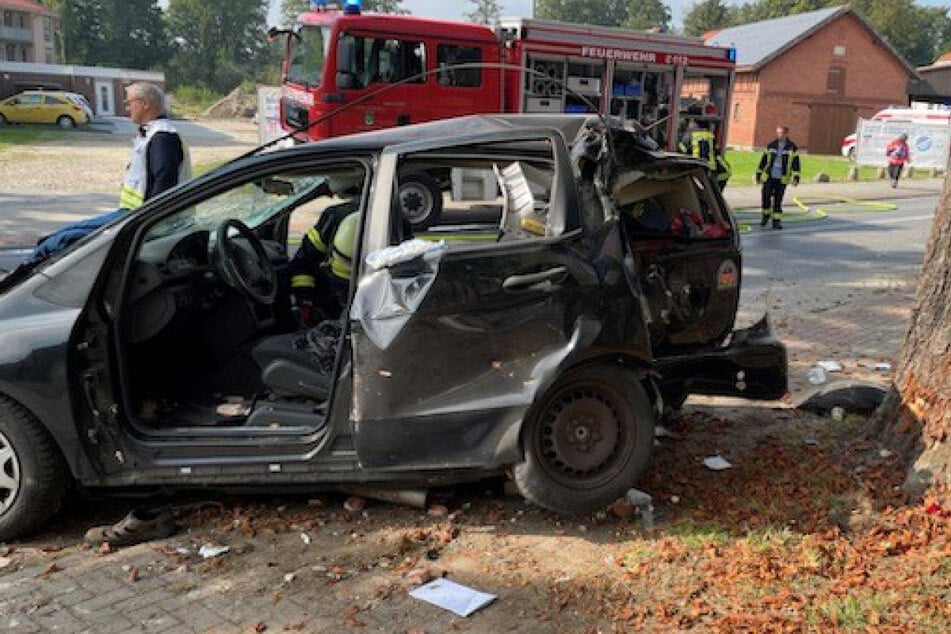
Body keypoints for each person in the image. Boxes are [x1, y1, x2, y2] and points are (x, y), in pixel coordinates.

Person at [29, 82, 191, 261]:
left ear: (145, 104)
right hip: (133, 214)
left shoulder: (162, 137)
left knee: (57, 244)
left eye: (130, 103)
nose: (127, 107)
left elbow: (164, 185)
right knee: (58, 238)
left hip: (140, 219)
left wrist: (143, 225)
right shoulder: (154, 133)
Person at [289, 179, 362, 326]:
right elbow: (305, 261)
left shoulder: (336, 216)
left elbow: (304, 260)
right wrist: (305, 302)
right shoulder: (395, 216)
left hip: (339, 298)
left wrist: (304, 302)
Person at [756, 125, 800, 230]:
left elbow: (796, 164)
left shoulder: (792, 147)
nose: (780, 135)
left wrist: (796, 177)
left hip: (782, 178)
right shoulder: (771, 145)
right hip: (769, 177)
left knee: (778, 200)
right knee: (765, 198)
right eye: (778, 133)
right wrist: (758, 174)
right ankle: (765, 217)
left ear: (786, 134)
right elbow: (763, 160)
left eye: (782, 133)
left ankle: (776, 222)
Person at [678, 119, 731, 191]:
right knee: (725, 173)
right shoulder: (710, 135)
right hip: (710, 170)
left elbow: (680, 152)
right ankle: (715, 194)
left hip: (693, 170)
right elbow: (716, 153)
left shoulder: (688, 136)